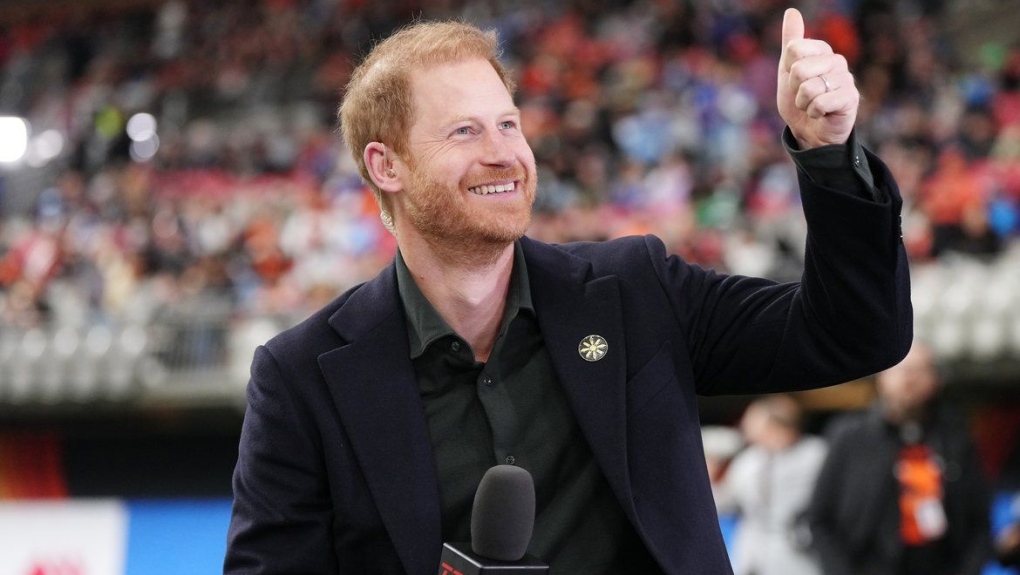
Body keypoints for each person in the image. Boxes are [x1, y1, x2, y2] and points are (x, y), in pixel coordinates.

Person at [225, 8, 912, 574]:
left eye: (508, 124)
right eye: (464, 130)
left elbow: (854, 332)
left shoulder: (634, 291)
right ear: (387, 165)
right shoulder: (302, 377)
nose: (504, 153)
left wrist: (829, 153)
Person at [808, 341, 991, 575]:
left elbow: (979, 520)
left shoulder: (954, 437)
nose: (909, 380)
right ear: (881, 377)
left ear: (936, 380)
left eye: (919, 371)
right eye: (900, 370)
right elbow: (820, 518)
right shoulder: (850, 436)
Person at [718, 394, 827, 575]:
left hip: (798, 554)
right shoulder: (749, 461)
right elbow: (726, 501)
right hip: (752, 555)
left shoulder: (816, 455)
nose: (746, 426)